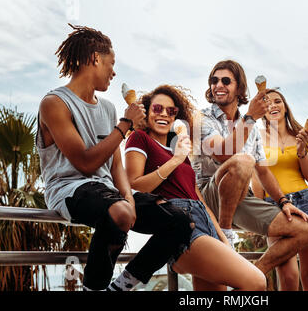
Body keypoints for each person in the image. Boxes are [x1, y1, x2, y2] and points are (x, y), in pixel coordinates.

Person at [36, 24, 193, 291]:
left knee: (180, 220)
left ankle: (122, 285)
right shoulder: (54, 103)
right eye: (111, 63)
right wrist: (125, 126)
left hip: (110, 193)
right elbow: (85, 163)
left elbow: (116, 164)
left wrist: (130, 199)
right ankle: (93, 289)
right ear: (95, 59)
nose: (114, 71)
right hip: (70, 189)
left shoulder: (107, 108)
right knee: (120, 212)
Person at [120, 84, 266, 291]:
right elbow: (134, 184)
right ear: (147, 110)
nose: (164, 114)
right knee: (256, 282)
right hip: (181, 225)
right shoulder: (140, 138)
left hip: (205, 222)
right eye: (157, 109)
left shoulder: (178, 148)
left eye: (171, 111)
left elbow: (198, 198)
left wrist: (223, 237)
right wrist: (175, 161)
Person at [192, 60, 308, 277]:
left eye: (225, 81)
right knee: (242, 160)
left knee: (305, 230)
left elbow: (264, 171)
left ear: (239, 88)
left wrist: (283, 201)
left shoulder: (251, 127)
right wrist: (250, 119)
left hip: (239, 195)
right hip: (207, 196)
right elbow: (224, 152)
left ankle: (252, 273)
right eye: (214, 80)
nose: (218, 85)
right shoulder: (202, 118)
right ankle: (226, 236)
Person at [251, 89, 308, 291]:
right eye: (267, 102)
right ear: (263, 110)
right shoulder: (255, 138)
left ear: (285, 107)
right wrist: (258, 213)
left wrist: (302, 152)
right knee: (288, 277)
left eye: (278, 101)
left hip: (307, 203)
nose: (273, 105)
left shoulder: (303, 135)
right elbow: (256, 177)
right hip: (275, 208)